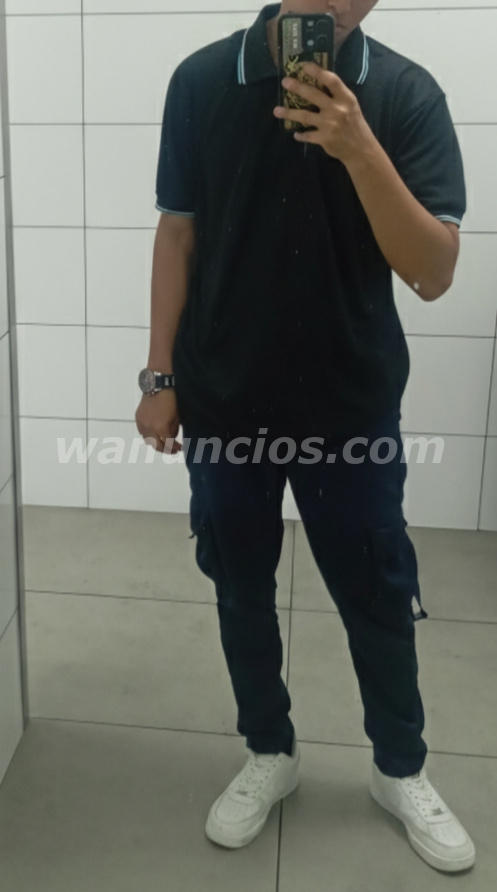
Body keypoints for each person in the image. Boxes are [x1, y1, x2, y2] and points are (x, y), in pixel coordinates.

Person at [135, 0, 476, 872]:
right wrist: (159, 377)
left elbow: (433, 272)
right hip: (224, 401)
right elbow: (178, 232)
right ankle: (268, 751)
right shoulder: (202, 80)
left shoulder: (404, 94)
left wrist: (358, 148)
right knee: (239, 587)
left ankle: (399, 767)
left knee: (376, 593)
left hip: (347, 407)